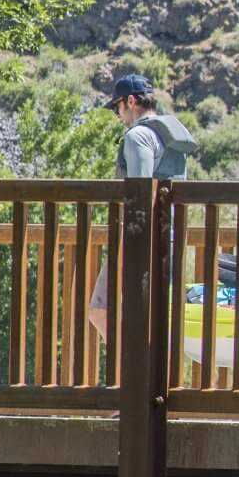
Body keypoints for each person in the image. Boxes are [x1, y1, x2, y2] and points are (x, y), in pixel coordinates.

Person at [89, 74, 197, 339]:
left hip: (140, 239)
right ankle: (139, 365)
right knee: (153, 319)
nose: (117, 114)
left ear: (131, 101)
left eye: (117, 107)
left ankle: (127, 366)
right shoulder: (172, 138)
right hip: (169, 237)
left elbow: (140, 194)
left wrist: (127, 244)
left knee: (101, 310)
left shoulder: (138, 136)